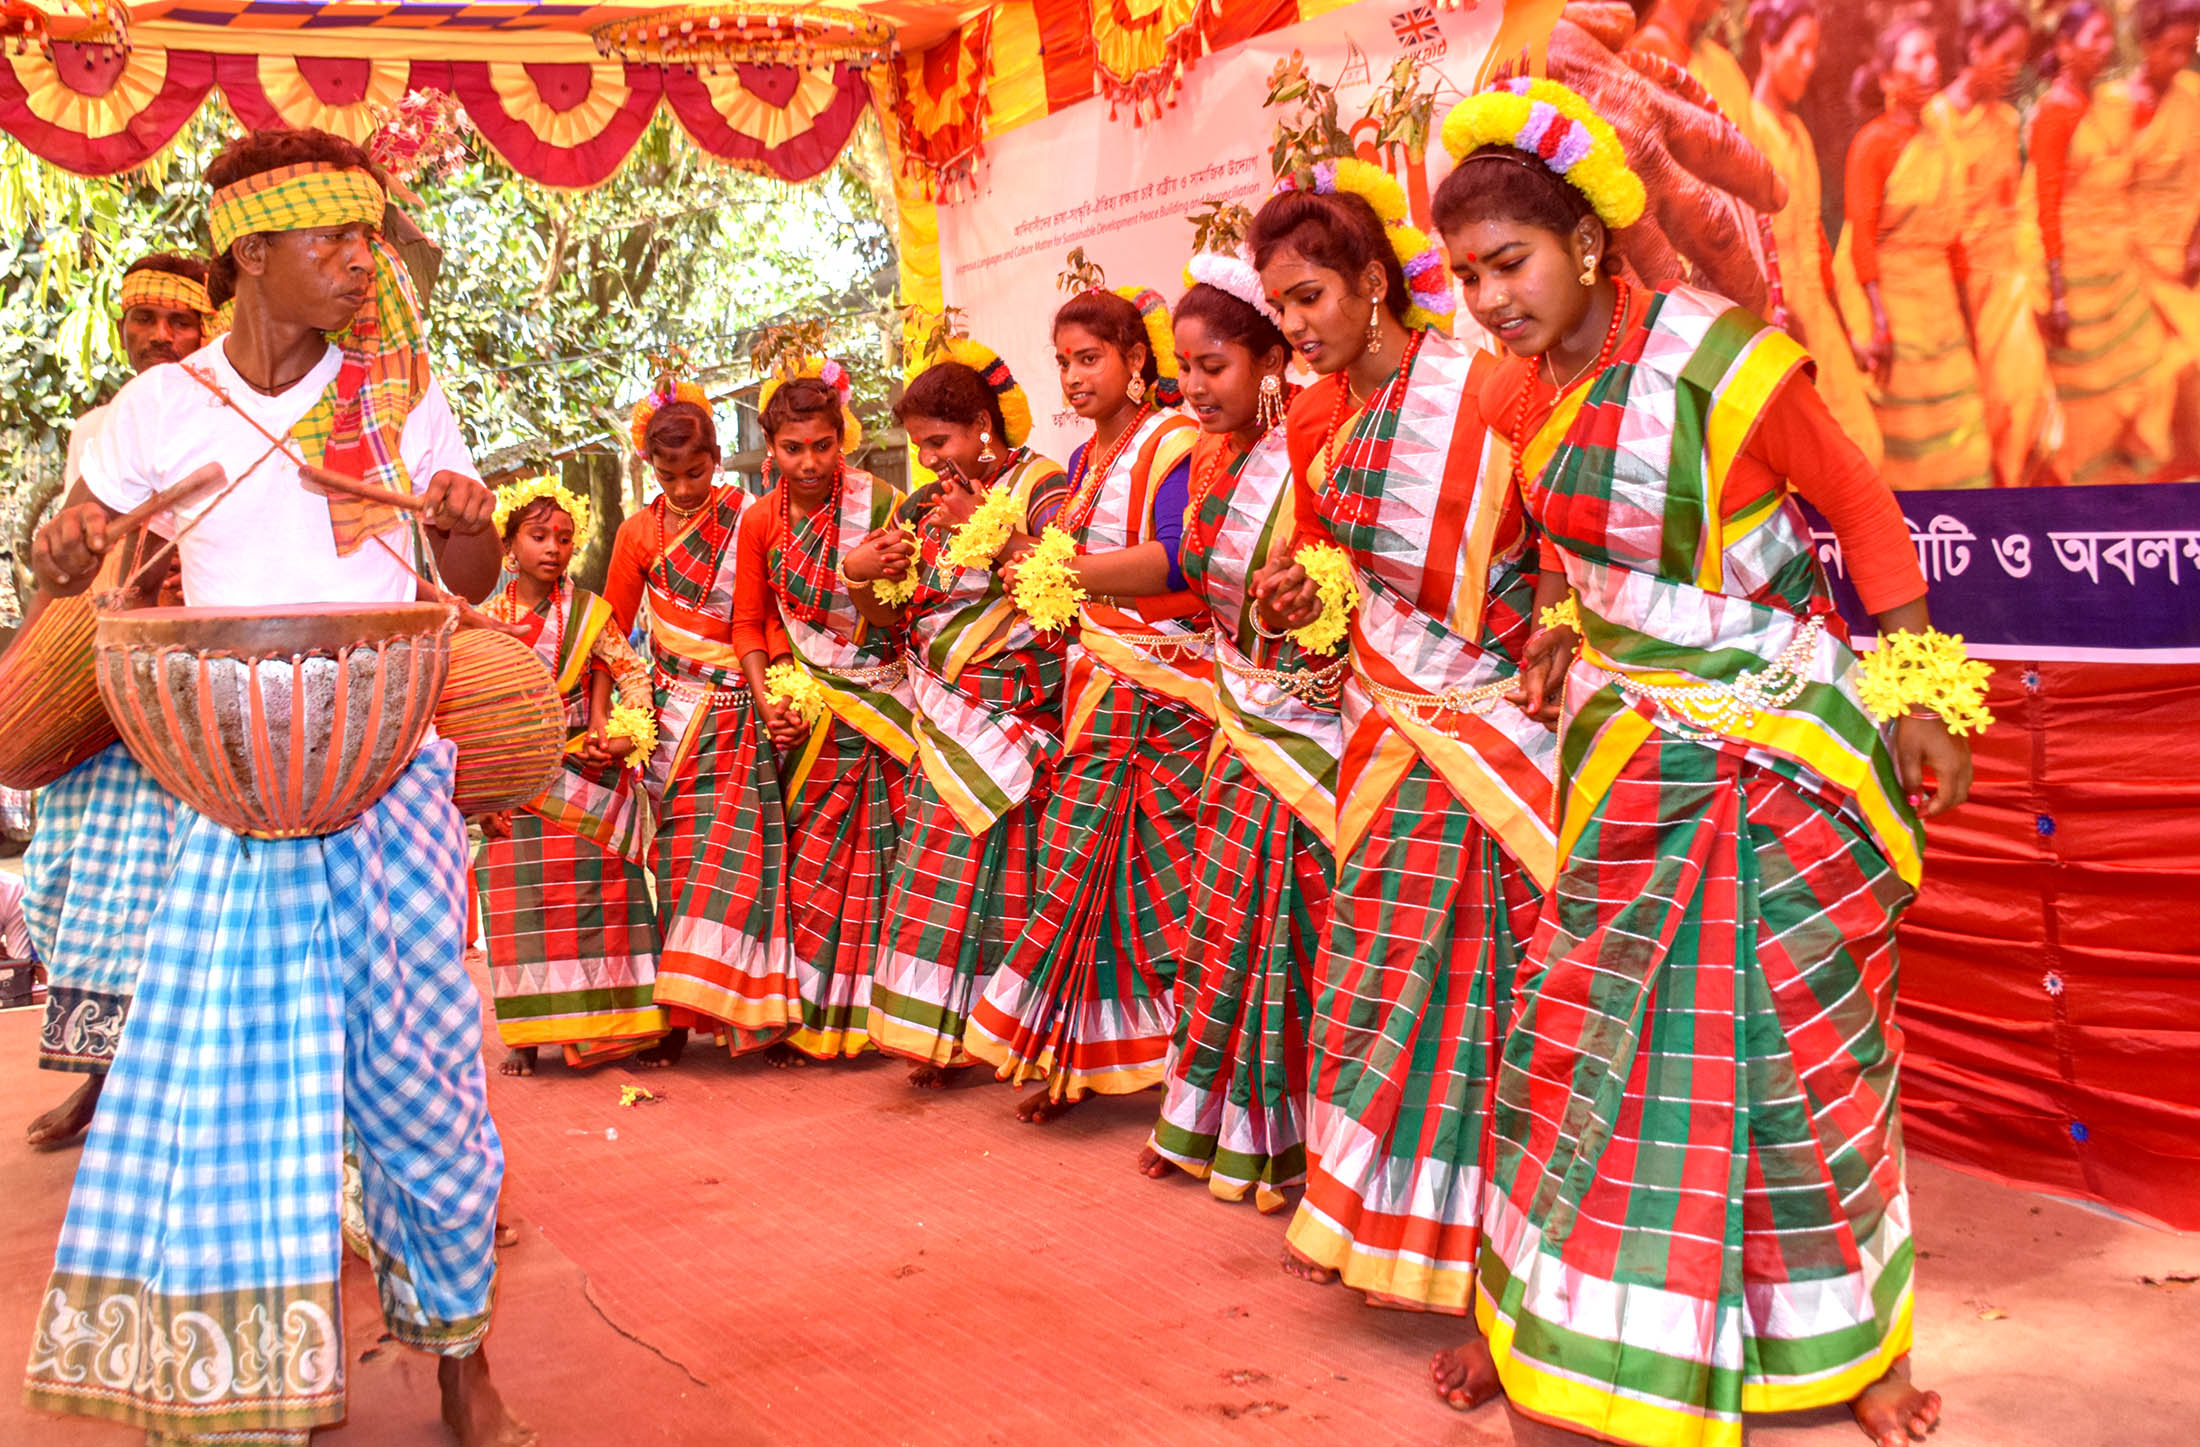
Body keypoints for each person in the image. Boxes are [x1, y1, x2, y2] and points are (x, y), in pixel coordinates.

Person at [1435, 78, 1981, 1447]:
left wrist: (1916, 690)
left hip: (1774, 756)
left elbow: (1858, 500)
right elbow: (1563, 551)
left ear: (1590, 246)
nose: (1490, 297)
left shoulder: (1718, 358)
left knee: (1806, 1050)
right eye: (1466, 275)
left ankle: (1857, 1348)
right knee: (1587, 1040)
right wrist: (1563, 624)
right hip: (1631, 757)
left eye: (1511, 263)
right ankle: (1547, 1313)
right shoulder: (1516, 391)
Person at [23, 127, 526, 1446]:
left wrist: (465, 524)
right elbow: (63, 554)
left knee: (425, 1090)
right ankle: (256, 1382)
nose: (364, 261)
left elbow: (464, 580)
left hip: (389, 785)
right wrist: (65, 538)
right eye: (334, 238)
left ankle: (462, 1362)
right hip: (235, 793)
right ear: (252, 252)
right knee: (242, 1091)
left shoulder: (399, 389)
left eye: (370, 235)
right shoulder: (160, 408)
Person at [1247, 157, 1557, 1377]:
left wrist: (1550, 634)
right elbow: (1335, 570)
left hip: (1499, 731)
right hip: (1387, 732)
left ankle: (1505, 1284)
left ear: (1375, 283)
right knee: (1383, 979)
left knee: (1495, 994)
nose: (1295, 328)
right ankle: (1398, 1232)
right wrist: (1298, 589)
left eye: (1310, 297)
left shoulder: (1494, 386)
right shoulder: (1314, 415)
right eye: (1279, 308)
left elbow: (1557, 539)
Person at [961, 276, 1209, 1122]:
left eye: (1090, 358)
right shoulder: (1082, 462)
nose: (1072, 377)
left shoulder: (1172, 440)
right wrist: (1022, 557)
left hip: (1166, 690)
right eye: (1063, 362)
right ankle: (1082, 1064)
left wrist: (1053, 566)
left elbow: (1178, 561)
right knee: (1079, 872)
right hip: (1097, 686)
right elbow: (1060, 581)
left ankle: (1189, 1067)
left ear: (1137, 359)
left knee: (1161, 883)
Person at [1137, 241, 1338, 1211]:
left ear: (1269, 360)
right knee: (1226, 925)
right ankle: (1222, 1122)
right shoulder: (1208, 454)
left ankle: (1303, 1148)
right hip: (1243, 712)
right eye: (1183, 367)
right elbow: (1183, 572)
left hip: (1313, 720)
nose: (1192, 385)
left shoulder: (1318, 433)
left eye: (1211, 365)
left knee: (1300, 931)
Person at [17, 251, 211, 1149]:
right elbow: (68, 563)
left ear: (210, 328)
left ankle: (158, 1100)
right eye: (147, 320)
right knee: (67, 882)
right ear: (125, 325)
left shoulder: (231, 417)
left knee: (166, 898)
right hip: (95, 689)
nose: (164, 338)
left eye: (183, 322)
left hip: (186, 696)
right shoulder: (98, 426)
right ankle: (97, 1077)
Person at [855, 341, 1069, 1088]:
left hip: (1015, 711)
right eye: (919, 447)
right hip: (942, 713)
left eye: (939, 442)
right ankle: (934, 1040)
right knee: (933, 879)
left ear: (983, 426)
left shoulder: (1042, 486)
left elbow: (1063, 594)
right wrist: (864, 569)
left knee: (1009, 883)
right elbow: (883, 612)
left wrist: (989, 524)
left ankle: (1001, 1036)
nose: (929, 461)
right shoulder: (921, 506)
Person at [605, 388, 796, 1061]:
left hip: (741, 713)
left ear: (717, 459)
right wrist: (609, 716)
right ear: (649, 468)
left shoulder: (749, 517)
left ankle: (757, 1023)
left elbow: (768, 613)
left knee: (750, 869)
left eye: (696, 472)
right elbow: (609, 634)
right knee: (681, 866)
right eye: (668, 476)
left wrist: (778, 691)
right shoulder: (636, 534)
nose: (684, 489)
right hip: (670, 718)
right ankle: (679, 1020)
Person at [731, 358, 914, 1060]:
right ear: (770, 448)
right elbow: (748, 622)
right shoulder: (759, 521)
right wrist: (768, 694)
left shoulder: (885, 504)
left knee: (891, 863)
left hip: (883, 703)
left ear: (845, 441)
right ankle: (813, 1019)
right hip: (802, 711)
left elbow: (901, 618)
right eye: (791, 448)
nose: (808, 462)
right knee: (810, 871)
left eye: (822, 446)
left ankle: (889, 1019)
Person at [475, 477, 665, 1077]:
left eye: (564, 537)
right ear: (510, 547)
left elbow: (633, 674)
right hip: (519, 783)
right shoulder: (482, 619)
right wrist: (481, 785)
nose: (553, 548)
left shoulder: (590, 615)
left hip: (588, 776)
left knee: (598, 904)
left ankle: (613, 1027)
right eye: (538, 536)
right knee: (523, 910)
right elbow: (474, 702)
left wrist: (625, 734)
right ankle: (527, 1036)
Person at [1835, 20, 1993, 489]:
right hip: (1896, 308)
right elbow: (1861, 239)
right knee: (1907, 438)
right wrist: (1881, 324)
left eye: (1933, 56)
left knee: (1964, 427)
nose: (1930, 67)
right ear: (1886, 77)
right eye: (1915, 58)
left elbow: (1954, 237)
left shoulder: (1943, 139)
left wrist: (1968, 314)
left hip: (1942, 306)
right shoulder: (1872, 144)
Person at [2029, 0, 2177, 484]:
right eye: (2092, 37)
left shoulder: (2113, 102)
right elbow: (2045, 204)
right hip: (2076, 271)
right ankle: (2085, 483)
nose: (2104, 46)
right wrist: (2057, 289)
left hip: (2119, 265)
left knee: (2145, 363)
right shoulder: (2054, 113)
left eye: (2106, 36)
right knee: (2086, 389)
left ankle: (2133, 469)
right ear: (2064, 47)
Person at [1927, 1, 2062, 485]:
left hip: (2007, 285)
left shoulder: (2006, 120)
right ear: (1975, 48)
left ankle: (2014, 497)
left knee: (2022, 392)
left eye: (2020, 59)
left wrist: (2041, 286)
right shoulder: (1934, 120)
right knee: (1977, 408)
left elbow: (2013, 212)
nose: (2012, 69)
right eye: (2003, 56)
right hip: (1950, 289)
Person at [1744, 0, 1883, 465]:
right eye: (1798, 48)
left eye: (1814, 50)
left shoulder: (1799, 132)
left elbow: (1814, 238)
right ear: (1767, 46)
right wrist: (1774, 317)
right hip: (1771, 314)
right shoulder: (1747, 126)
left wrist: (1846, 330)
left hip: (1815, 310)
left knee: (1863, 443)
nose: (1808, 62)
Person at [2120, 0, 2200, 473]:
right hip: (2132, 261)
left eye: (2187, 48)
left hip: (2185, 254)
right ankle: (2146, 452)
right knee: (2178, 358)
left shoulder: (2193, 95)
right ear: (2146, 43)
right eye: (2171, 49)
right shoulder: (2119, 105)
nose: (2181, 59)